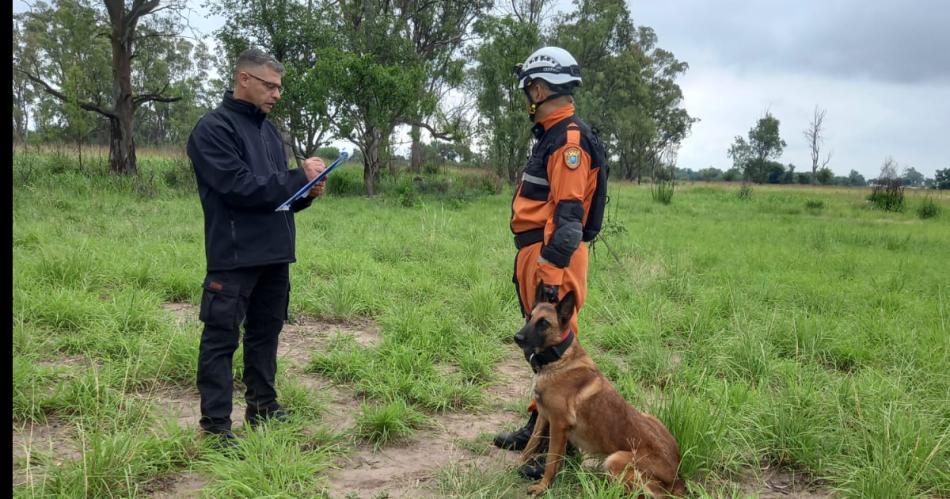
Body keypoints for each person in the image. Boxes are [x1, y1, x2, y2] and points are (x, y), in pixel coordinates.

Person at [186, 48, 327, 447]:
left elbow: (276, 192)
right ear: (243, 79)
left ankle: (263, 407)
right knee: (221, 338)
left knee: (266, 333)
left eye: (279, 88)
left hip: (275, 253)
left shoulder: (269, 130)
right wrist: (295, 177)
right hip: (233, 256)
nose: (276, 94)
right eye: (270, 85)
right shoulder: (212, 129)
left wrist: (306, 191)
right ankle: (216, 426)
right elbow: (238, 187)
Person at [492, 46, 608, 478]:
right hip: (538, 254)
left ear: (540, 88)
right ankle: (536, 427)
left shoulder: (568, 142)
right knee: (541, 350)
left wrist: (550, 275)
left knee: (555, 348)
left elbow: (568, 220)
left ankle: (558, 445)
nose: (528, 96)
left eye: (529, 89)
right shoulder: (554, 135)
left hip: (550, 256)